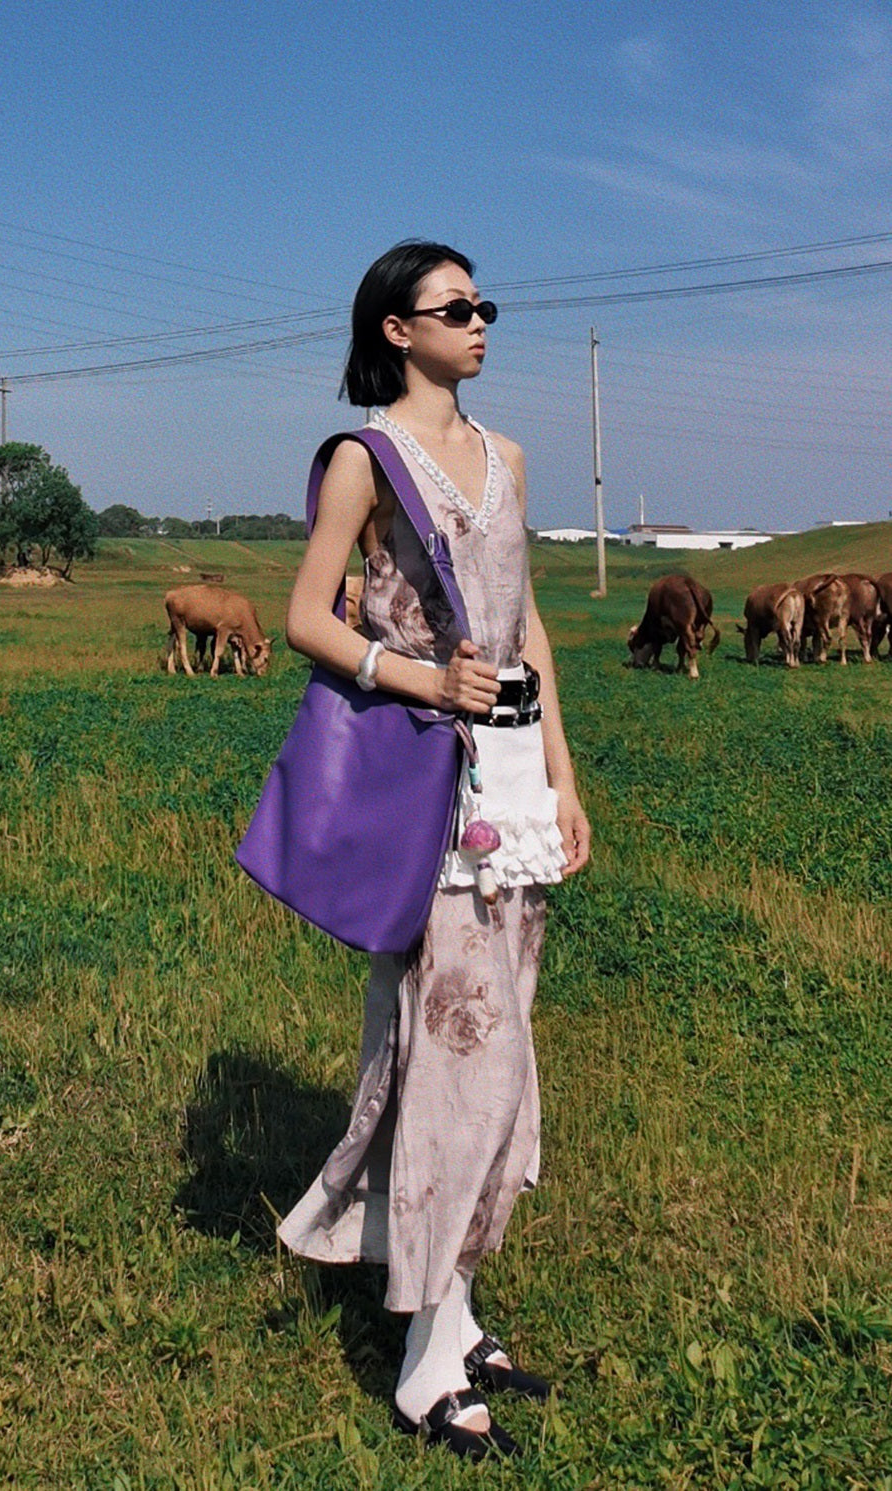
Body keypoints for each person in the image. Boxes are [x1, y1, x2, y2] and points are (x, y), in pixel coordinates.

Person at [279, 240, 591, 1460]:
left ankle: (453, 1314)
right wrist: (421, 680)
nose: (478, 321)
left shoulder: (506, 458)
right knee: (457, 1058)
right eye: (454, 307)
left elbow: (526, 625)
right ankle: (421, 1359)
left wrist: (562, 774)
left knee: (495, 1058)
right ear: (396, 330)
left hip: (509, 791)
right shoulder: (365, 461)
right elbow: (306, 618)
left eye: (482, 304)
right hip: (426, 790)